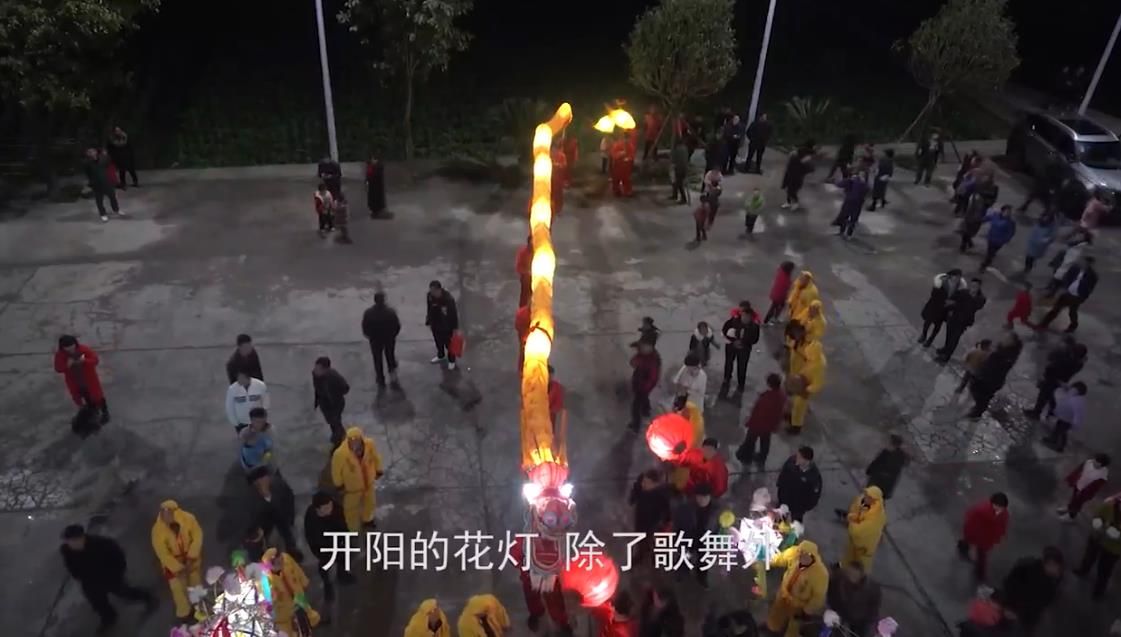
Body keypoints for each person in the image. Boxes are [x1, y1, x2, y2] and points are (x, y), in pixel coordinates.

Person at [61, 524, 155, 633]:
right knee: (98, 602)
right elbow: (70, 565)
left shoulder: (102, 544)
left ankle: (147, 597)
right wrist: (79, 577)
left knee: (125, 592)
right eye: (68, 541)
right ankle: (109, 617)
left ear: (82, 538)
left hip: (109, 577)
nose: (71, 544)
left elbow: (119, 558)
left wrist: (116, 574)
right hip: (89, 582)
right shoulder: (66, 550)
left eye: (74, 540)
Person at [150, 500, 203, 622]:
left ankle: (200, 606)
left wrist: (191, 557)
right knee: (178, 589)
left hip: (191, 558)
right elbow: (162, 553)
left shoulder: (189, 519)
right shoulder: (157, 530)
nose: (166, 516)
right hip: (173, 563)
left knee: (195, 582)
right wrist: (177, 568)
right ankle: (185, 613)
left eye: (169, 512)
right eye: (163, 513)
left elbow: (197, 537)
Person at [764, 541, 829, 637]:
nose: (802, 557)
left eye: (806, 555)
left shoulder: (821, 574)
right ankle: (772, 630)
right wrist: (767, 561)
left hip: (798, 605)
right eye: (800, 554)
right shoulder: (794, 553)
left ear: (813, 557)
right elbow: (781, 558)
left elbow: (818, 597)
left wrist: (807, 611)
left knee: (794, 626)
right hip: (783, 594)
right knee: (775, 616)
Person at [304, 491, 355, 609]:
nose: (330, 509)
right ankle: (327, 586)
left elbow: (343, 524)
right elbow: (310, 536)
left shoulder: (336, 508)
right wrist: (318, 552)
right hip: (322, 546)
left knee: (344, 558)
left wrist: (346, 539)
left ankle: (342, 574)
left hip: (338, 541)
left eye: (330, 505)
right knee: (324, 566)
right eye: (326, 508)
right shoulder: (311, 517)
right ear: (318, 509)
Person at [331, 426, 385, 531]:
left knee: (370, 503)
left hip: (368, 483)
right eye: (352, 440)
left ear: (361, 438)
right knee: (351, 509)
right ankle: (352, 528)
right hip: (352, 488)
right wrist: (339, 485)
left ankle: (368, 519)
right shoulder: (340, 454)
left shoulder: (370, 445)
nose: (355, 442)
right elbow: (336, 470)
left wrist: (378, 469)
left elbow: (376, 457)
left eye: (357, 439)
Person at [247, 466, 303, 561]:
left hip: (280, 514)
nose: (264, 482)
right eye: (260, 482)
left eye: (266, 479)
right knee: (259, 540)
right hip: (262, 520)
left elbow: (289, 499)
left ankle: (291, 550)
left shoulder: (279, 486)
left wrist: (290, 517)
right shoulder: (249, 498)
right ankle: (261, 556)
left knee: (286, 531)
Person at [1001, 547, 1064, 632]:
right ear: (1048, 564)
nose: (1058, 571)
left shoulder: (1053, 578)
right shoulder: (1031, 573)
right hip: (1017, 610)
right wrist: (1009, 607)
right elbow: (1011, 585)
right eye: (1056, 567)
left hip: (1026, 614)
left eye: (1059, 567)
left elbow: (1043, 601)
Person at [264, 548, 321, 635]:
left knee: (304, 618)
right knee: (289, 630)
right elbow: (268, 601)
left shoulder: (286, 559)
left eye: (281, 559)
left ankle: (308, 629)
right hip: (284, 610)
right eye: (278, 562)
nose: (282, 562)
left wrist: (304, 582)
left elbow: (297, 569)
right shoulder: (266, 580)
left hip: (298, 596)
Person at [54, 334, 110, 424]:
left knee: (98, 396)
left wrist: (84, 361)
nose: (70, 349)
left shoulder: (84, 349)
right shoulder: (60, 355)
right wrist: (67, 365)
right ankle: (93, 410)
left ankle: (104, 411)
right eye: (67, 348)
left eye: (72, 346)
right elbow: (58, 368)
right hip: (75, 381)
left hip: (90, 379)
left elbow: (95, 360)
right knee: (85, 396)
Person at [672, 483, 719, 588]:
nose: (702, 500)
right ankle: (682, 572)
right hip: (688, 538)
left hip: (705, 540)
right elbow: (677, 524)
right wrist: (677, 539)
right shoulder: (685, 508)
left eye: (705, 497)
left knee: (704, 560)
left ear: (710, 497)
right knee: (685, 557)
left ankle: (701, 577)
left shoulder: (716, 509)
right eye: (700, 497)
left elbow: (718, 525)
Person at [1073, 498, 1121, 599]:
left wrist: (1117, 535)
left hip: (1113, 549)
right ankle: (1083, 570)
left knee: (1105, 570)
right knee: (1088, 557)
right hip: (1097, 538)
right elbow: (1097, 515)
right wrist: (1098, 524)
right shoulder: (1109, 506)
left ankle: (1099, 589)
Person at [1025, 338, 1085, 418]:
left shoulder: (1068, 360)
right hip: (1059, 380)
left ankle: (1037, 413)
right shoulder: (1078, 362)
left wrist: (1045, 374)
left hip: (1053, 378)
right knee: (1050, 395)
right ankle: (1051, 410)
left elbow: (1053, 366)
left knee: (1044, 395)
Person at [736, 373, 786, 469]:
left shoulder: (766, 399)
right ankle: (762, 458)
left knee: (750, 440)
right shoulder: (781, 395)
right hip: (770, 424)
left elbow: (758, 413)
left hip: (758, 424)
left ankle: (747, 457)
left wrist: (749, 421)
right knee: (765, 441)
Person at [1037, 255, 1097, 333]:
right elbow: (1067, 277)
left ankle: (1073, 326)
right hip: (1068, 293)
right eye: (1084, 262)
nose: (1084, 264)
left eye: (1087, 263)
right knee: (1056, 309)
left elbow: (1090, 288)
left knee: (1072, 312)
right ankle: (1043, 324)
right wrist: (1065, 287)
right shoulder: (1075, 269)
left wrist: (1083, 296)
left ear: (1090, 264)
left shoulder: (1092, 275)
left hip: (1077, 296)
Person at [968, 331, 1022, 418]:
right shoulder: (1001, 350)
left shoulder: (1006, 356)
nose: (1004, 339)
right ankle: (978, 409)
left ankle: (977, 412)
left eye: (1007, 338)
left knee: (982, 395)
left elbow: (995, 367)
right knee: (979, 393)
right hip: (988, 377)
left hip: (991, 380)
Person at [958, 493, 1010, 580]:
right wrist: (969, 533)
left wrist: (998, 537)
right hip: (976, 533)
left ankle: (979, 575)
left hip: (986, 538)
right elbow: (969, 521)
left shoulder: (1004, 514)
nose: (999, 509)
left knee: (982, 556)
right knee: (968, 542)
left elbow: (1002, 527)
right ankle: (963, 550)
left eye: (1001, 507)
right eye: (997, 506)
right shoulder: (981, 510)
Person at [936, 277, 986, 363]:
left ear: (979, 287)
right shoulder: (963, 292)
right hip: (954, 317)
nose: (973, 287)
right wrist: (951, 307)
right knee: (949, 335)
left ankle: (946, 356)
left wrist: (969, 298)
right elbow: (953, 299)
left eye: (975, 286)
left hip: (963, 321)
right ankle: (945, 348)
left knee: (954, 338)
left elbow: (975, 307)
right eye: (972, 285)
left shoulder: (981, 298)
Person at [787, 323, 826, 432]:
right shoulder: (814, 360)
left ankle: (796, 426)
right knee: (796, 404)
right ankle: (793, 418)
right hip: (802, 381)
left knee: (799, 406)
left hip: (805, 387)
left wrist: (806, 389)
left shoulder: (818, 365)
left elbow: (818, 383)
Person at [827, 562, 882, 637]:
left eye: (854, 575)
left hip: (860, 620)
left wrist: (869, 625)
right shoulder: (838, 578)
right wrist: (831, 609)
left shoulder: (873, 588)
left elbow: (874, 610)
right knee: (835, 632)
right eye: (848, 573)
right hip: (840, 613)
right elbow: (830, 593)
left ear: (861, 575)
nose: (850, 576)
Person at [629, 469, 672, 562]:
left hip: (654, 524)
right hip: (641, 521)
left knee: (655, 541)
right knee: (641, 539)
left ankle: (656, 555)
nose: (643, 484)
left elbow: (668, 512)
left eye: (646, 482)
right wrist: (636, 489)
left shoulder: (662, 495)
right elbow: (631, 501)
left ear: (655, 484)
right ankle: (641, 554)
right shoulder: (641, 490)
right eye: (643, 481)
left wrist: (665, 523)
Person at [362, 291, 402, 389]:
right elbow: (397, 326)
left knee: (377, 359)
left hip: (375, 340)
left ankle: (380, 378)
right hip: (389, 339)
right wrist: (393, 335)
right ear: (384, 300)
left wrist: (370, 336)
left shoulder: (368, 313)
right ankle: (392, 376)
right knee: (390, 356)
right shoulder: (391, 312)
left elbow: (365, 327)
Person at [841, 486, 887, 572]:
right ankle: (842, 570)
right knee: (847, 559)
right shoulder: (862, 501)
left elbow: (857, 532)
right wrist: (853, 516)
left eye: (868, 497)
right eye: (866, 494)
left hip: (864, 548)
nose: (865, 497)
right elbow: (854, 510)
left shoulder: (876, 517)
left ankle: (860, 578)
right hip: (855, 542)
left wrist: (851, 522)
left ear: (874, 500)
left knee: (861, 566)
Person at [719, 304, 759, 397]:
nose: (745, 318)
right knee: (729, 362)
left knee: (742, 366)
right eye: (744, 316)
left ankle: (741, 383)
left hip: (744, 349)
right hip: (731, 347)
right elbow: (724, 331)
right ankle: (727, 378)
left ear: (751, 317)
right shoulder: (733, 321)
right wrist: (733, 341)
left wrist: (744, 342)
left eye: (748, 317)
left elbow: (755, 339)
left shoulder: (754, 327)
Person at [1058, 454, 1110, 522]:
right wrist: (1070, 479)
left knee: (1077, 504)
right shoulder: (1088, 463)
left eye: (1097, 462)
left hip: (1085, 493)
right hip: (1078, 485)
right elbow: (1078, 470)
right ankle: (1069, 508)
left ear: (1101, 465)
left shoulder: (1102, 475)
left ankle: (1071, 516)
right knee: (1073, 499)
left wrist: (1084, 493)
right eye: (1095, 459)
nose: (1094, 461)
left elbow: (1094, 488)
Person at [776, 446, 823, 522]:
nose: (796, 458)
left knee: (795, 525)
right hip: (784, 502)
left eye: (799, 457)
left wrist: (804, 508)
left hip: (798, 508)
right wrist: (781, 499)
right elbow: (782, 478)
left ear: (806, 460)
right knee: (779, 522)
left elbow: (814, 496)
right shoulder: (791, 463)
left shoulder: (813, 476)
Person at [312, 356, 350, 445]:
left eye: (319, 368)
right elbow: (317, 389)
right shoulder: (315, 375)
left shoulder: (334, 376)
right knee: (331, 421)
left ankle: (339, 440)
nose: (316, 370)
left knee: (336, 422)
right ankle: (338, 436)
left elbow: (346, 388)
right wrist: (317, 402)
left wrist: (336, 393)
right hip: (324, 403)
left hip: (336, 403)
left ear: (326, 369)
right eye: (315, 367)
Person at [919, 269, 963, 347]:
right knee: (927, 322)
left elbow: (959, 299)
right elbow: (934, 294)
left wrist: (953, 304)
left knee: (937, 326)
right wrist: (944, 301)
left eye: (959, 277)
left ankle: (930, 340)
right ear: (951, 276)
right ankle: (924, 335)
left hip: (945, 310)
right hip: (935, 307)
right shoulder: (941, 282)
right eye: (956, 276)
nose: (957, 279)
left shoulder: (959, 286)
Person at [1042, 381, 1086, 452]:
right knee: (1058, 430)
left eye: (1073, 389)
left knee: (1061, 433)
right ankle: (1054, 440)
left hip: (1067, 421)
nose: (1071, 390)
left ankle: (1059, 446)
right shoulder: (1073, 397)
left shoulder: (1078, 401)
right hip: (1064, 418)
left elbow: (1078, 414)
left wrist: (1075, 424)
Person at [628, 339, 661, 432]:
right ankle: (646, 411)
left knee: (636, 406)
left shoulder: (652, 360)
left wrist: (646, 387)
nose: (640, 349)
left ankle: (636, 425)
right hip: (639, 384)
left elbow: (653, 377)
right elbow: (633, 362)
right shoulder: (642, 356)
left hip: (643, 386)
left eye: (641, 347)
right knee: (644, 399)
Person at [425, 280, 460, 369]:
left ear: (439, 290)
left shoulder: (448, 300)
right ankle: (441, 355)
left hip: (446, 326)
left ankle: (452, 361)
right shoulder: (430, 296)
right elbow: (429, 308)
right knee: (438, 342)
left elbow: (453, 315)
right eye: (431, 291)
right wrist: (428, 321)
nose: (432, 293)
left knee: (449, 345)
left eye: (434, 291)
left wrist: (455, 328)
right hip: (435, 324)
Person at [83, 148, 123, 222]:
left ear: (96, 152)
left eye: (93, 151)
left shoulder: (102, 159)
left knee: (112, 196)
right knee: (99, 200)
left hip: (106, 181)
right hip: (96, 183)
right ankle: (103, 214)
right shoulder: (87, 162)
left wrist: (106, 155)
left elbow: (108, 162)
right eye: (90, 152)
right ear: (88, 154)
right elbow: (87, 173)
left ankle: (116, 210)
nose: (92, 153)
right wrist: (91, 182)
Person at [225, 367, 268, 433]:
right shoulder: (232, 389)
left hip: (258, 422)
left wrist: (264, 419)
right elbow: (229, 407)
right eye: (238, 378)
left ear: (248, 377)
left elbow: (266, 403)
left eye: (241, 378)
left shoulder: (260, 385)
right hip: (242, 423)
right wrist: (235, 423)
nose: (238, 380)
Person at [864, 434, 907, 499]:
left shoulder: (893, 455)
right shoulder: (889, 453)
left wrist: (870, 470)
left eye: (890, 441)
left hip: (879, 483)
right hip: (881, 484)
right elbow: (876, 463)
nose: (888, 443)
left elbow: (877, 464)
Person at [832, 172, 870, 239]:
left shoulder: (851, 180)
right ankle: (849, 235)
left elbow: (839, 184)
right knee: (853, 219)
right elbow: (866, 192)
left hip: (849, 201)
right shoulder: (865, 184)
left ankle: (841, 232)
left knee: (845, 217)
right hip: (858, 203)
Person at [978, 205, 1017, 271]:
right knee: (990, 251)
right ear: (1002, 211)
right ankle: (988, 259)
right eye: (1007, 212)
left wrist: (1005, 240)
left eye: (1009, 212)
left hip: (999, 241)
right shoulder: (996, 215)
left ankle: (985, 264)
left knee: (990, 253)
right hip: (991, 238)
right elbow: (987, 218)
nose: (1008, 213)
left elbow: (1011, 232)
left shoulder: (1011, 222)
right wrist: (980, 220)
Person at [1022, 209, 1060, 274]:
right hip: (1033, 242)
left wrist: (1046, 240)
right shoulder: (1039, 221)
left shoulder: (1052, 226)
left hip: (1039, 246)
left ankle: (1028, 268)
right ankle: (1027, 267)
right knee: (1028, 256)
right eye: (1045, 216)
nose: (1045, 218)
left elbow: (1052, 236)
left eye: (1047, 217)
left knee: (1031, 257)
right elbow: (1034, 229)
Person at [238, 408, 274, 473]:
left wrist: (265, 461)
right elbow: (241, 451)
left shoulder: (269, 430)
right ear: (251, 420)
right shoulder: (245, 433)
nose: (261, 425)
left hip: (265, 463)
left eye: (263, 422)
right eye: (258, 422)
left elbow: (270, 450)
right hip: (251, 465)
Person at [780, 143, 814, 210]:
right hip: (790, 177)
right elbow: (789, 168)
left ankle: (795, 203)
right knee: (789, 191)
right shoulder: (794, 158)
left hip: (797, 179)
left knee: (792, 192)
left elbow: (810, 169)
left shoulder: (803, 161)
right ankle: (789, 202)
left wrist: (803, 168)